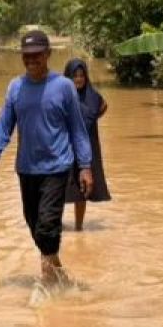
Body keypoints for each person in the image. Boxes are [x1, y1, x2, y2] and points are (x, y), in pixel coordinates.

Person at [0, 29, 93, 285]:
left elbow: (77, 129)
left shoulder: (64, 87)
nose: (31, 60)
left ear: (48, 54)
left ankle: (48, 281)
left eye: (37, 55)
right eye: (26, 56)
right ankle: (58, 273)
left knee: (47, 227)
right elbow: (4, 125)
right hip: (27, 168)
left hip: (57, 167)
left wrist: (85, 166)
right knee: (34, 226)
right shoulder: (16, 87)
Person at [62, 58, 111, 230]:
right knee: (59, 187)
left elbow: (103, 106)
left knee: (82, 189)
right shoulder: (61, 96)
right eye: (74, 76)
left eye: (81, 76)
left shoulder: (93, 96)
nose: (78, 79)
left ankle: (78, 227)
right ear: (68, 77)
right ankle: (56, 224)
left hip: (87, 148)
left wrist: (90, 121)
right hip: (65, 148)